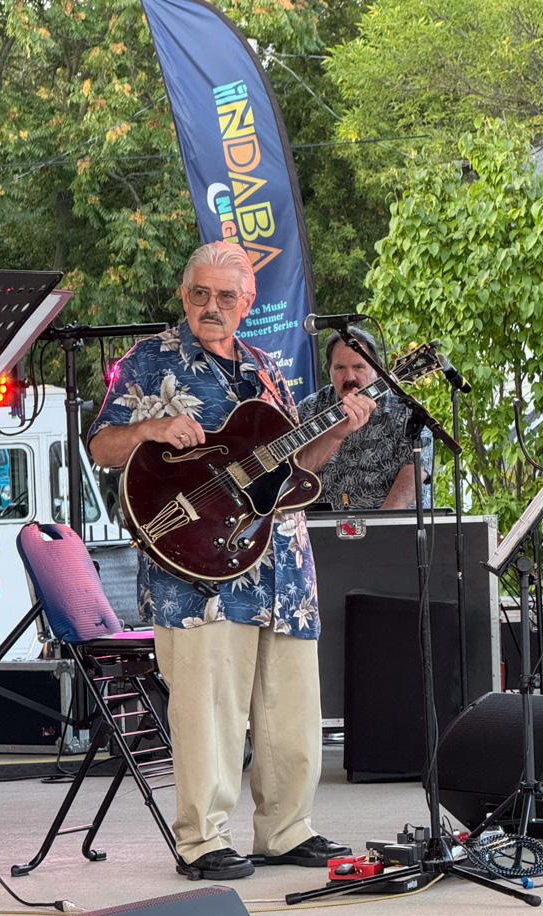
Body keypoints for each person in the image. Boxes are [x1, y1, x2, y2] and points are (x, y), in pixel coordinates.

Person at [88, 241, 375, 881]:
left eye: (224, 296)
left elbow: (296, 466)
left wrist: (339, 428)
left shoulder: (266, 367)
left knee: (291, 710)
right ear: (183, 295)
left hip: (281, 567)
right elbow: (103, 446)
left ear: (248, 302)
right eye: (199, 293)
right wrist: (151, 429)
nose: (210, 306)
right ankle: (203, 840)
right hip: (197, 570)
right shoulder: (151, 359)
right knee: (209, 711)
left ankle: (286, 830)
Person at [297, 330, 433, 510]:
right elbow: (293, 473)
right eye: (340, 368)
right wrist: (334, 435)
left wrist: (382, 523)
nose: (349, 377)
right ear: (329, 371)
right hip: (318, 524)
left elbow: (415, 472)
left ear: (376, 371)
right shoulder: (310, 409)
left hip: (387, 522)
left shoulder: (406, 411)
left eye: (358, 367)